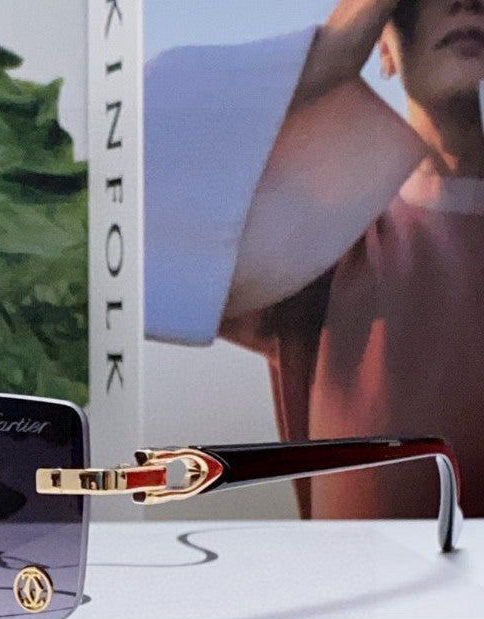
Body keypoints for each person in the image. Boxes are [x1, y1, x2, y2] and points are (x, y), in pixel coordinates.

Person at [146, 0, 484, 518]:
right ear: (383, 45)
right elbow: (119, 204)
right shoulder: (327, 240)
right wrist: (328, 56)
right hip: (362, 572)